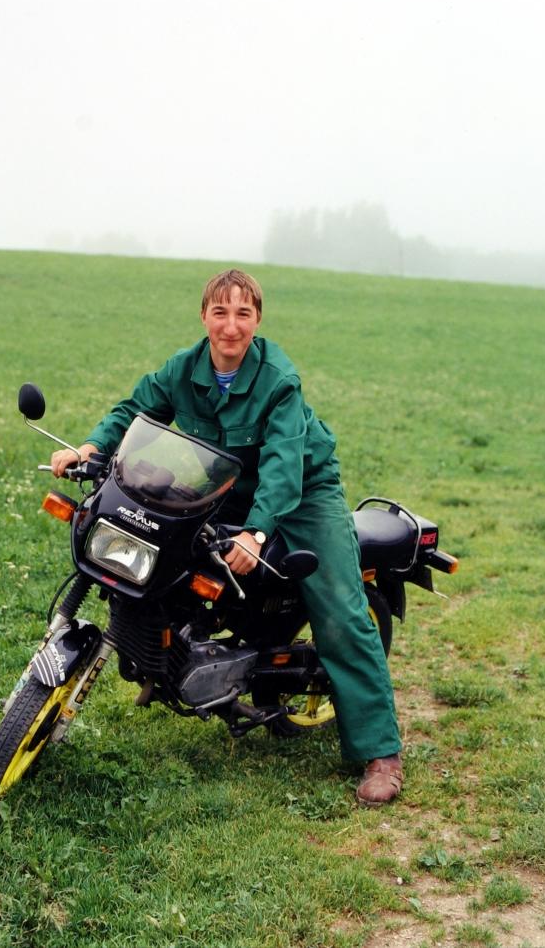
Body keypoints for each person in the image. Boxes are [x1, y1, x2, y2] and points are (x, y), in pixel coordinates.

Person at [51, 269, 403, 806]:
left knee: (338, 607)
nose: (231, 326)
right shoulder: (185, 368)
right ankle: (178, 661)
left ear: (257, 320)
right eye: (220, 312)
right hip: (228, 485)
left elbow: (285, 464)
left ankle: (381, 753)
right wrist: (89, 447)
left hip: (305, 492)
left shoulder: (278, 379)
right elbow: (135, 410)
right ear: (204, 317)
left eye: (243, 314)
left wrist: (259, 533)